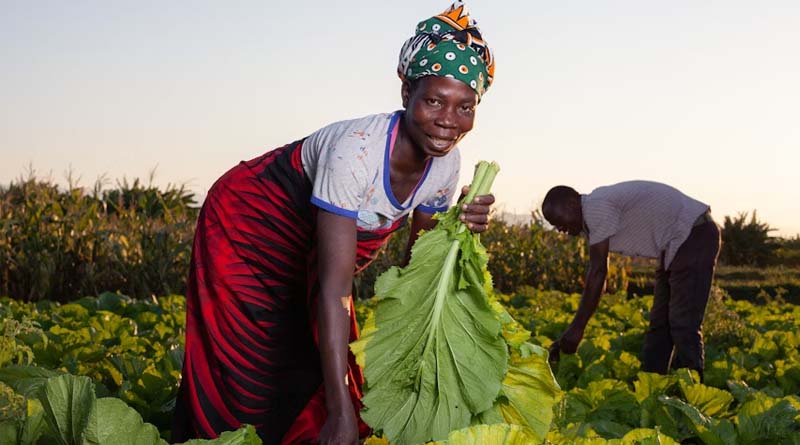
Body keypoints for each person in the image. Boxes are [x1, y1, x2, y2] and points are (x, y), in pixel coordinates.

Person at [171, 2, 496, 444]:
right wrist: (340, 413)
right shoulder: (356, 152)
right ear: (407, 94)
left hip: (316, 249)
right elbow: (334, 289)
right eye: (434, 101)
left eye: (465, 107)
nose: (447, 121)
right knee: (250, 363)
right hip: (248, 225)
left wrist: (459, 225)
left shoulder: (446, 166)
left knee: (311, 359)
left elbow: (418, 267)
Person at [542, 180, 721, 381]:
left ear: (571, 204)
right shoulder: (591, 217)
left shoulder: (594, 207)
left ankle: (691, 389)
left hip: (693, 234)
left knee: (683, 322)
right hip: (674, 244)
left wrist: (577, 328)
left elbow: (598, 272)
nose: (558, 228)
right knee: (660, 325)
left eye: (557, 220)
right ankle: (651, 387)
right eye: (553, 225)